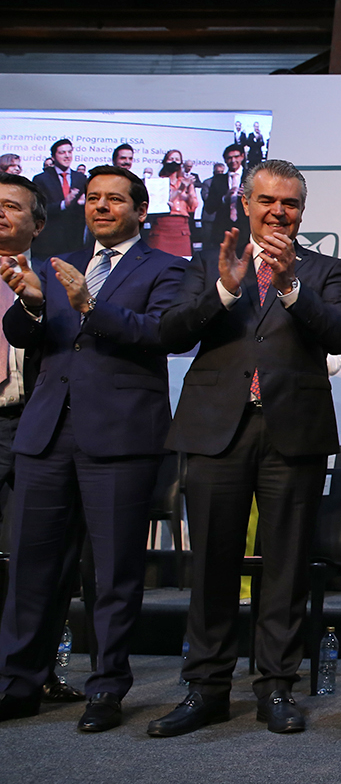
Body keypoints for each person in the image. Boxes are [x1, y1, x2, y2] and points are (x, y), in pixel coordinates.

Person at [148, 159, 341, 737]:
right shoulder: (207, 263)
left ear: (302, 212)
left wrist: (290, 287)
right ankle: (206, 688)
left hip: (294, 432)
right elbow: (171, 332)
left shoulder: (326, 268)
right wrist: (224, 289)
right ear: (245, 203)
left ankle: (277, 687)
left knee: (286, 566)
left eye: (290, 203)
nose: (278, 212)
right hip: (218, 429)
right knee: (212, 563)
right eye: (267, 200)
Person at [0, 166, 186, 730]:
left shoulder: (169, 268)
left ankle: (106, 689)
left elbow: (161, 334)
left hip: (120, 436)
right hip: (46, 433)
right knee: (31, 568)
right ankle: (18, 683)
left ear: (140, 210)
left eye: (114, 199)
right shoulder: (61, 263)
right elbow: (27, 337)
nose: (100, 206)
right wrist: (33, 305)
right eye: (93, 198)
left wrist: (87, 305)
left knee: (112, 574)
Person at [0, 173, 89, 706]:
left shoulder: (57, 279)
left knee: (47, 558)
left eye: (12, 206)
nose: (0, 213)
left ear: (37, 224)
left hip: (40, 422)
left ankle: (35, 671)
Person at [31, 139, 87, 259]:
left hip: (75, 242)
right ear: (53, 157)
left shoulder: (81, 178)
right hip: (50, 243)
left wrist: (84, 203)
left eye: (69, 152)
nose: (67, 156)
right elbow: (38, 209)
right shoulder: (41, 179)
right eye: (62, 153)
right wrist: (63, 204)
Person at [203, 144, 248, 255]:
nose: (233, 161)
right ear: (225, 160)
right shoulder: (218, 180)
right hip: (223, 229)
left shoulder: (252, 176)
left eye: (236, 157)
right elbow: (209, 207)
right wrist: (224, 198)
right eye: (229, 158)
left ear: (242, 157)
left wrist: (250, 197)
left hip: (246, 228)